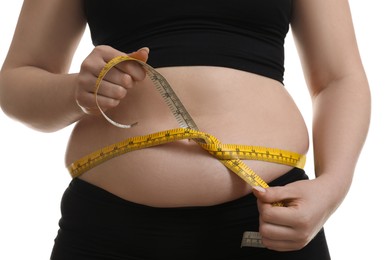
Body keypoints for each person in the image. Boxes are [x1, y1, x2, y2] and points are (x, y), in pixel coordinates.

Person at [0, 0, 370, 259]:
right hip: (107, 230)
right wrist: (75, 91)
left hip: (271, 220)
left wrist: (331, 189)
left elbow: (339, 78)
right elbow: (15, 81)